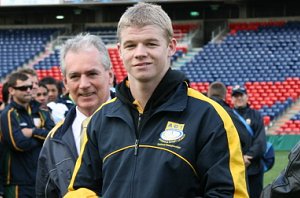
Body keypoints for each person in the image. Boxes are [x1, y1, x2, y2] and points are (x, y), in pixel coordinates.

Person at [65, 3, 248, 198]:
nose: (140, 53)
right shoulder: (102, 118)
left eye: (151, 43)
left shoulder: (209, 116)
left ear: (171, 47)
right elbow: (82, 190)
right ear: (119, 51)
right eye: (131, 45)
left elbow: (228, 194)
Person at [36, 33, 115, 198]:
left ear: (110, 76)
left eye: (92, 74)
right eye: (75, 76)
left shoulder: (137, 125)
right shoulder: (53, 140)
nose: (84, 85)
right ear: (65, 83)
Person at [0, 72, 55, 197]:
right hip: (18, 183)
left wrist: (33, 132)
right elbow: (19, 144)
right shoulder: (8, 114)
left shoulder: (41, 112)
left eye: (30, 87)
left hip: (42, 179)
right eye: (23, 88)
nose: (29, 90)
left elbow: (52, 137)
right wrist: (41, 137)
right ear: (11, 90)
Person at [231, 85, 267, 198]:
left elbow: (260, 141)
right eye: (236, 95)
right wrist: (239, 158)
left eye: (241, 95)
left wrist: (248, 156)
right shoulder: (229, 115)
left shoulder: (256, 115)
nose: (239, 98)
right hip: (235, 167)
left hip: (254, 167)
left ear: (247, 96)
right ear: (231, 99)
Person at [207, 81, 252, 154]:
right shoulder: (227, 112)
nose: (239, 98)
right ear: (224, 95)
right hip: (222, 158)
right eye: (236, 96)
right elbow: (244, 138)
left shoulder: (197, 110)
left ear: (209, 94)